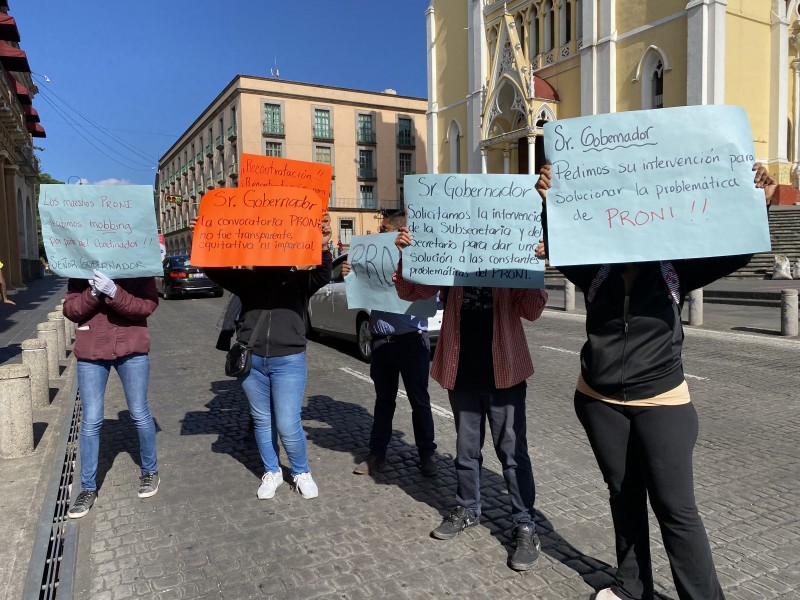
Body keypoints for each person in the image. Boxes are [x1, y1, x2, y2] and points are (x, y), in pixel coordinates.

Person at [535, 162, 776, 600]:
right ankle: (632, 587)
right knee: (623, 495)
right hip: (597, 398)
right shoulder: (594, 267)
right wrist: (550, 201)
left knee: (676, 510)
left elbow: (740, 250)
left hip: (663, 400)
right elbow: (563, 239)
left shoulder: (675, 267)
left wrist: (756, 198)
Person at [393, 228, 548, 571]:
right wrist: (407, 253)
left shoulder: (511, 252)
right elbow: (412, 290)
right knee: (465, 450)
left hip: (505, 369)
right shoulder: (448, 253)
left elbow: (532, 309)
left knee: (512, 453)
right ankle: (467, 508)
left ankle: (525, 524)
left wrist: (532, 265)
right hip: (460, 368)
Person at [203, 220, 332, 500]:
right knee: (262, 420)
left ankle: (301, 472)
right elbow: (212, 268)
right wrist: (206, 235)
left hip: (289, 361)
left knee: (287, 421)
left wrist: (322, 244)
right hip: (254, 361)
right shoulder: (248, 280)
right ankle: (271, 471)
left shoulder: (298, 280)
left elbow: (323, 274)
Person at [342, 210, 437, 477]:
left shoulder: (418, 260)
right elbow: (360, 289)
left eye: (383, 229)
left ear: (398, 231)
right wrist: (349, 274)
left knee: (420, 401)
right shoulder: (374, 257)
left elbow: (434, 292)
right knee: (384, 401)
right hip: (381, 343)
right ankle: (377, 454)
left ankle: (427, 454)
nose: (378, 233)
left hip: (412, 342)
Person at [63, 270, 160, 518]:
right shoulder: (80, 271)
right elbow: (71, 311)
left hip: (132, 348)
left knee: (139, 412)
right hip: (92, 351)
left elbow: (146, 306)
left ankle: (150, 471)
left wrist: (114, 292)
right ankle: (87, 488)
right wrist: (93, 292)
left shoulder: (139, 267)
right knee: (91, 420)